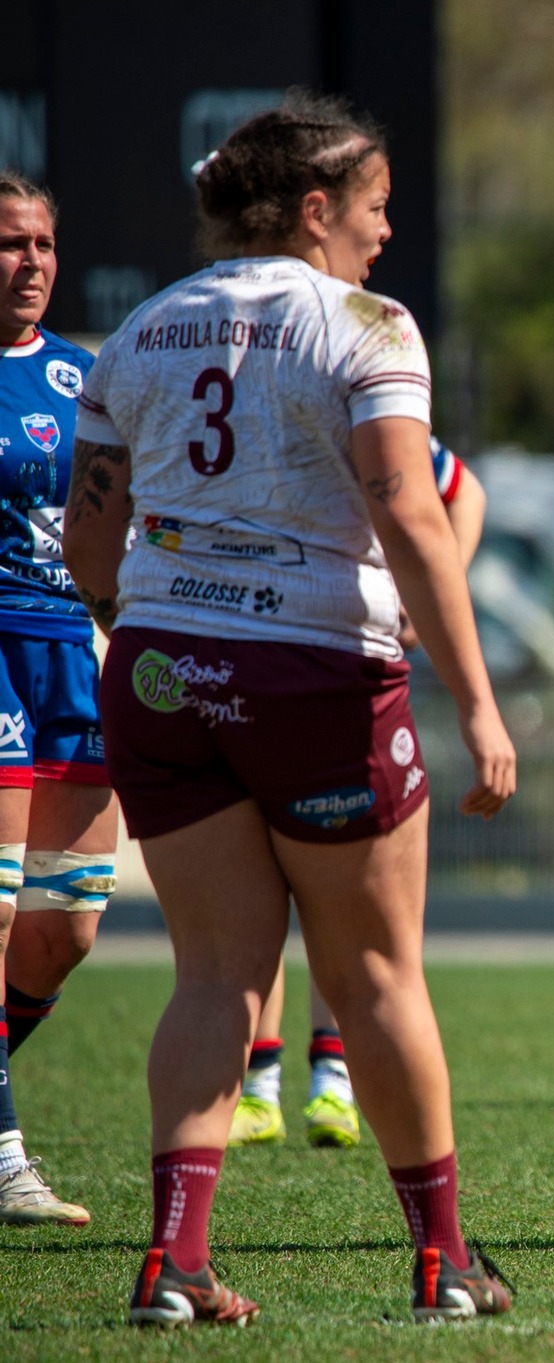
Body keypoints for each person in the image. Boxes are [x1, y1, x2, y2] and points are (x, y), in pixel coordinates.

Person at [62, 93, 516, 1326]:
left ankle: (173, 1261)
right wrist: (477, 701)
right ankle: (442, 1263)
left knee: (212, 974)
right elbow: (409, 512)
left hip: (159, 668)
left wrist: (145, 624)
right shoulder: (368, 326)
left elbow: (88, 539)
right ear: (316, 210)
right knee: (374, 976)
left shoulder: (139, 331)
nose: (382, 235)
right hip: (312, 674)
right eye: (372, 209)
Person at [230, 437, 486, 1151]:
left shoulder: (346, 380)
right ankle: (258, 1085)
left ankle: (331, 1078)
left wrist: (433, 596)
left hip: (342, 674)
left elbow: (462, 490)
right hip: (232, 667)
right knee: (252, 897)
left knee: (340, 903)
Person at [0, 174, 113, 1228]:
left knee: (64, 929)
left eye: (41, 242)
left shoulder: (88, 379)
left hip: (75, 660)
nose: (29, 261)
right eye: (7, 242)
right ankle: (3, 1157)